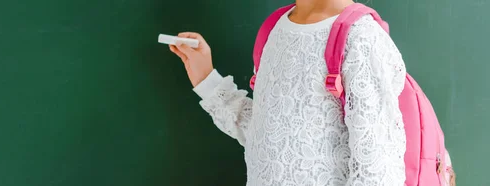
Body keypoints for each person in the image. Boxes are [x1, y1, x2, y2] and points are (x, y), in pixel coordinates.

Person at [168, 0, 407, 185]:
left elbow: (378, 170)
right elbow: (265, 136)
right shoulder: (274, 29)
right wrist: (207, 79)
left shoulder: (362, 38)